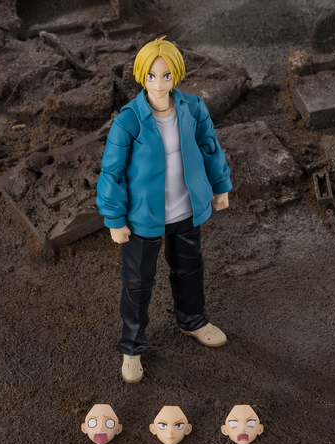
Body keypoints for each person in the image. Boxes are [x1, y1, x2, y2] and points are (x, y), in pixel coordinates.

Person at [96, 36, 232, 383]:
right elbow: (112, 172)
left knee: (190, 270)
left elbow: (209, 147)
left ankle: (193, 320)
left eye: (166, 75)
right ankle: (132, 346)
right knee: (138, 283)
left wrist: (220, 186)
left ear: (177, 75)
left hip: (185, 208)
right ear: (142, 77)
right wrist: (114, 218)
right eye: (152, 76)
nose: (159, 83)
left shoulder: (193, 108)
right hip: (143, 216)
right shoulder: (129, 121)